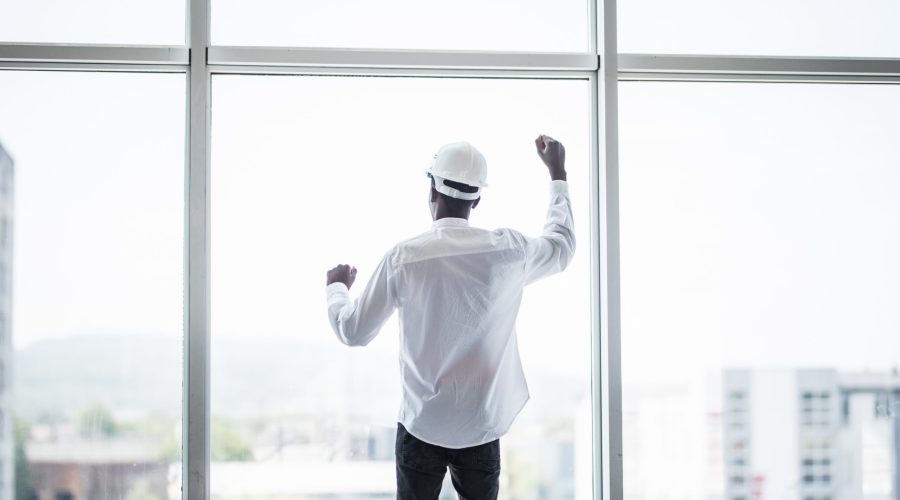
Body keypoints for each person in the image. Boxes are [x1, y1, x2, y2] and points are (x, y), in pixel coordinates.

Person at [325, 135, 575, 500]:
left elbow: (352, 331)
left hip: (421, 426)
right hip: (481, 427)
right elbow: (562, 246)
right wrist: (557, 172)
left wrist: (337, 289)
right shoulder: (508, 251)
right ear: (477, 198)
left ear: (432, 190)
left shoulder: (404, 258)